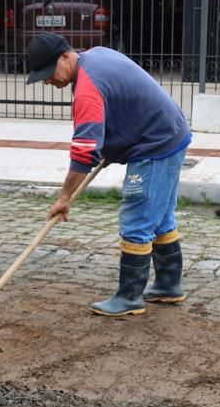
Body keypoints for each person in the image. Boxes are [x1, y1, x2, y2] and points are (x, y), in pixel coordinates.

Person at [27, 33, 191, 317]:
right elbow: (119, 107)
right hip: (171, 135)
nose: (48, 82)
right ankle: (168, 285)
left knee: (138, 220)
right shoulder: (96, 56)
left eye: (48, 73)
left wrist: (64, 197)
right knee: (160, 216)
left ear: (66, 56)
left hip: (154, 145)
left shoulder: (88, 89)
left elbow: (84, 151)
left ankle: (129, 297)